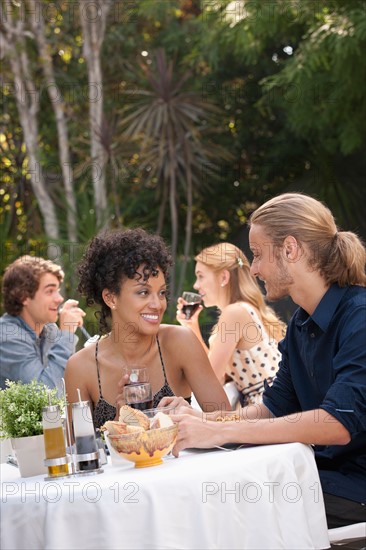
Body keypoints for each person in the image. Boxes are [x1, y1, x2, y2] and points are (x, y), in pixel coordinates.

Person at [164, 193, 366, 529]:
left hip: (354, 486)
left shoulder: (358, 317)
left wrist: (213, 432)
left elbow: (337, 424)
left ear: (290, 249)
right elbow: (272, 408)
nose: (254, 269)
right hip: (318, 475)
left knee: (223, 510)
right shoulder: (302, 325)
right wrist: (206, 423)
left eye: (257, 255)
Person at [64, 228, 230, 429]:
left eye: (161, 293)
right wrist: (118, 425)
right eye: (143, 292)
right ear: (110, 298)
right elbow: (77, 452)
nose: (158, 304)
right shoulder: (80, 367)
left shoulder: (180, 342)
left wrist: (193, 416)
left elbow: (230, 423)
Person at [176, 242, 285, 406]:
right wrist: (192, 327)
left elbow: (210, 379)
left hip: (268, 411)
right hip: (272, 407)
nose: (196, 285)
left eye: (201, 276)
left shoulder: (234, 313)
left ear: (224, 277)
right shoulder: (243, 310)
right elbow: (213, 372)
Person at [0, 255, 85, 390]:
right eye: (50, 291)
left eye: (57, 290)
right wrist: (67, 334)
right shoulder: (7, 337)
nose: (59, 298)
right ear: (24, 297)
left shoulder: (49, 330)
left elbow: (70, 384)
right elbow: (45, 393)